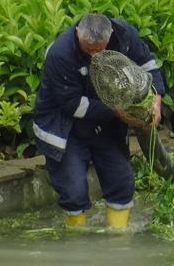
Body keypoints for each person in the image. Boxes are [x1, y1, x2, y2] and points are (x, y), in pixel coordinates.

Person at [32, 13, 164, 230]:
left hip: (105, 126)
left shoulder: (124, 36)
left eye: (99, 49)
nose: (94, 56)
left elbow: (148, 65)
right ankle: (76, 243)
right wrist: (119, 112)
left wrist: (156, 99)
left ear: (110, 34)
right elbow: (72, 104)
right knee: (74, 190)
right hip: (67, 128)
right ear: (77, 34)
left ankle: (118, 239)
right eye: (88, 50)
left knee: (122, 182)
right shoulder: (59, 54)